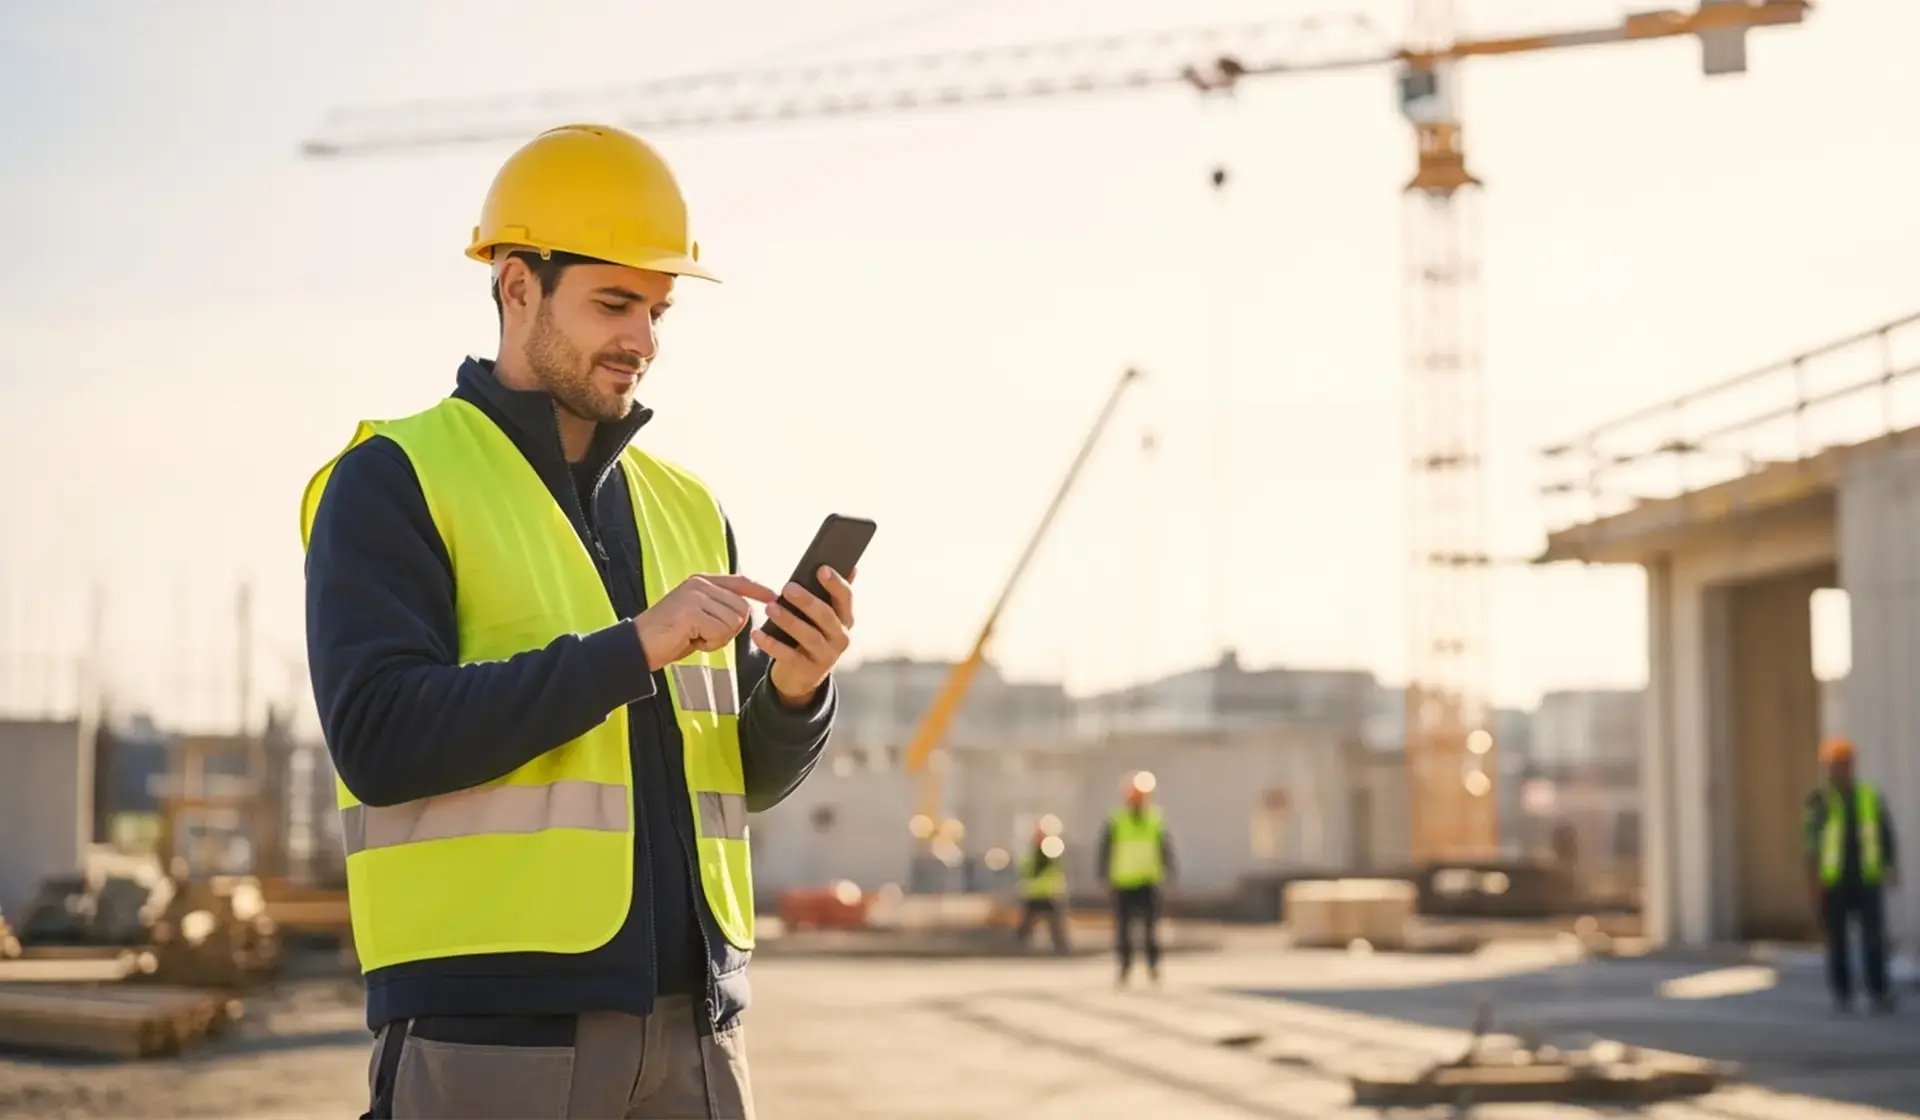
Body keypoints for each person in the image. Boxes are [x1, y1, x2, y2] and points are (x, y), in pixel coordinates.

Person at [302, 123, 855, 1118]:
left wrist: (796, 693)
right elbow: (379, 739)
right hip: (491, 1032)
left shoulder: (689, 507)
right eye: (613, 304)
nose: (643, 340)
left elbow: (735, 781)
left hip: (697, 1032)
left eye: (656, 309)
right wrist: (634, 646)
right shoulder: (393, 479)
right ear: (518, 287)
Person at [1803, 737, 1899, 1014]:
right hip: (1834, 883)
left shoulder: (1868, 796)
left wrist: (1890, 865)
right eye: (1834, 765)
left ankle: (1878, 990)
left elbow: (1885, 832)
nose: (1839, 770)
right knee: (1837, 940)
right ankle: (1842, 993)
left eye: (1843, 764)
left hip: (1866, 879)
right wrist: (1813, 884)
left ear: (1852, 765)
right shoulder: (1819, 802)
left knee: (1873, 938)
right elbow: (1811, 846)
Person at [1098, 771, 1176, 986]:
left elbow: (1165, 847)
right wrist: (1104, 874)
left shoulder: (1155, 819)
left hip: (1148, 880)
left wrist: (1169, 871)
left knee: (1151, 929)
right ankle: (1125, 967)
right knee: (1123, 929)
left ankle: (1153, 966)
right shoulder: (1117, 819)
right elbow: (1106, 849)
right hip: (1123, 881)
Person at [1016, 819, 1071, 954]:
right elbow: (1026, 870)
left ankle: (1062, 952)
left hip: (1049, 894)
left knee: (1056, 929)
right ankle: (1017, 950)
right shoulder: (1032, 852)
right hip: (1034, 894)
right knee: (1025, 928)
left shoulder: (1051, 849)